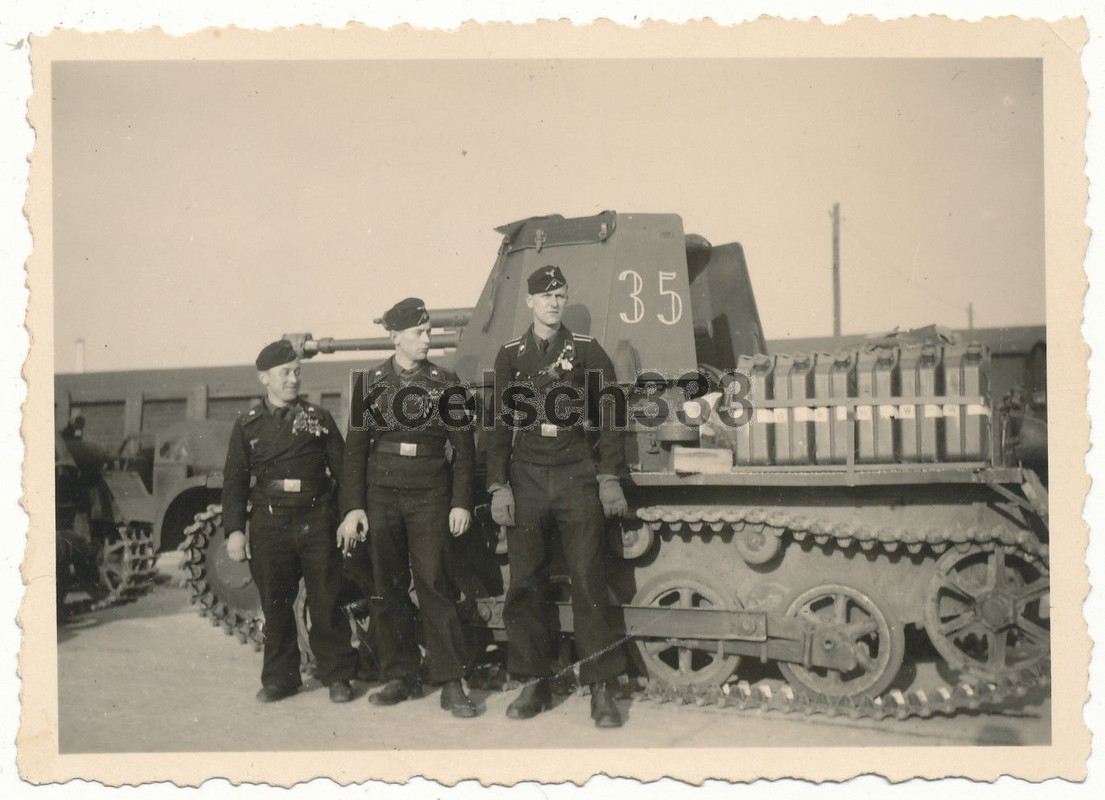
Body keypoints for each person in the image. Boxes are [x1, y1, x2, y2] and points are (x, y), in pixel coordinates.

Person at [487, 265, 630, 728]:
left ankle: (601, 688)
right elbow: (498, 424)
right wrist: (497, 485)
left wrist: (608, 475)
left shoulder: (587, 352)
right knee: (525, 582)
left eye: (560, 295)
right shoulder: (511, 356)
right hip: (527, 475)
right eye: (545, 296)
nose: (553, 302)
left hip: (574, 472)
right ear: (529, 302)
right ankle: (533, 682)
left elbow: (611, 416)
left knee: (590, 580)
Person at [338, 297, 480, 718]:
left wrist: (460, 503)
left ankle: (451, 682)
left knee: (436, 585)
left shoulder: (447, 382)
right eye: (419, 332)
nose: (427, 338)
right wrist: (353, 508)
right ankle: (400, 674)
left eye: (429, 331)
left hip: (430, 495)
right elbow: (354, 453)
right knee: (387, 587)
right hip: (382, 495)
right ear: (395, 336)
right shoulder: (371, 383)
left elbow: (464, 451)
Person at [222, 339, 358, 704]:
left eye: (297, 372)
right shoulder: (247, 425)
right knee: (276, 605)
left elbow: (344, 472)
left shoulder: (319, 418)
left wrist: (348, 514)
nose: (293, 380)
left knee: (326, 601)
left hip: (316, 519)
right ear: (264, 377)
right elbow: (234, 481)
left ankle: (338, 676)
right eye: (285, 374)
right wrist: (235, 530)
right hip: (270, 522)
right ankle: (281, 679)